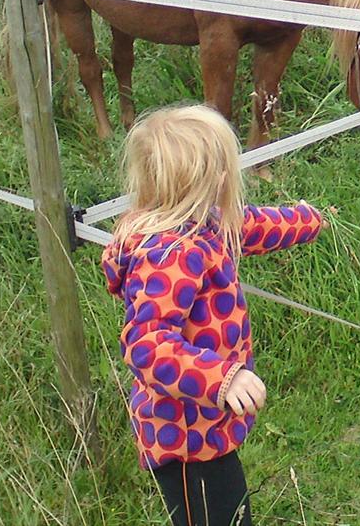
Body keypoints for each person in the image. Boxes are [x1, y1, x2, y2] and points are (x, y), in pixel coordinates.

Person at [101, 104, 323, 526]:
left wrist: (307, 220)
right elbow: (146, 344)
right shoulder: (170, 255)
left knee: (231, 514)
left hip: (206, 425)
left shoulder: (202, 224)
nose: (229, 176)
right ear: (207, 180)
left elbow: (252, 226)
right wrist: (223, 378)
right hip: (184, 439)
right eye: (223, 167)